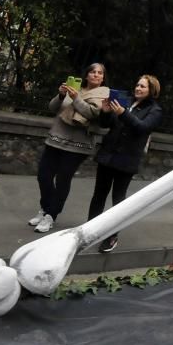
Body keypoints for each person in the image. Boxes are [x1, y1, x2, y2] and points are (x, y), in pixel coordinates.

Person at [28, 63, 109, 233]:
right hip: (56, 138)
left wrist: (75, 98)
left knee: (63, 179)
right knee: (44, 175)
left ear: (103, 77)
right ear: (86, 75)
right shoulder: (75, 88)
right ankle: (45, 208)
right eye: (92, 72)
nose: (95, 75)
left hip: (78, 144)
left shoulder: (103, 94)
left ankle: (51, 215)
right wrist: (61, 95)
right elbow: (52, 108)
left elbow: (92, 113)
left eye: (99, 73)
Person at [89, 74, 163, 253]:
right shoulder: (126, 101)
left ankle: (111, 236)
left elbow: (142, 128)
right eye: (137, 85)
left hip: (127, 159)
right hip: (108, 155)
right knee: (99, 194)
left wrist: (123, 113)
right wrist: (106, 111)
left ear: (151, 90)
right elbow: (107, 124)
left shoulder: (155, 110)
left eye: (143, 86)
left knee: (118, 199)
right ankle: (90, 230)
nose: (138, 88)